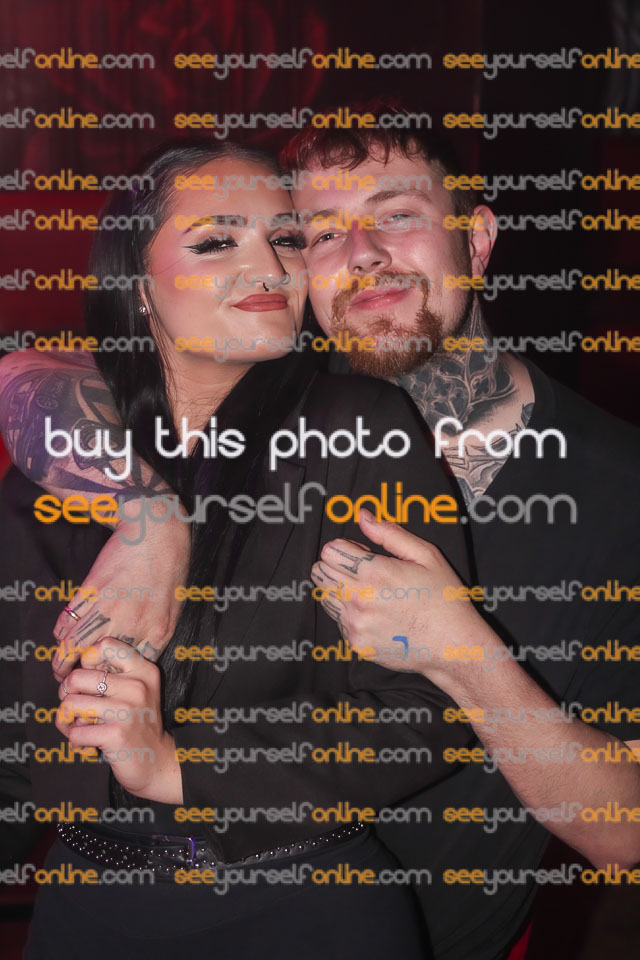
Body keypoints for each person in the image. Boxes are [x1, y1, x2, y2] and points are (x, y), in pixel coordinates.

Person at [0, 140, 473, 959]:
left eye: (286, 238)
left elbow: (434, 711)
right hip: (87, 911)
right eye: (218, 241)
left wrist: (176, 767)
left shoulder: (360, 427)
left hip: (301, 911)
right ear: (137, 283)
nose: (270, 268)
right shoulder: (58, 465)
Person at [278, 111, 640, 959]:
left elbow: (623, 831)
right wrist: (145, 519)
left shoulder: (620, 489)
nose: (363, 253)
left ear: (475, 243)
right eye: (325, 233)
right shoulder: (262, 424)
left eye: (398, 215)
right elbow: (40, 378)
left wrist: (465, 656)